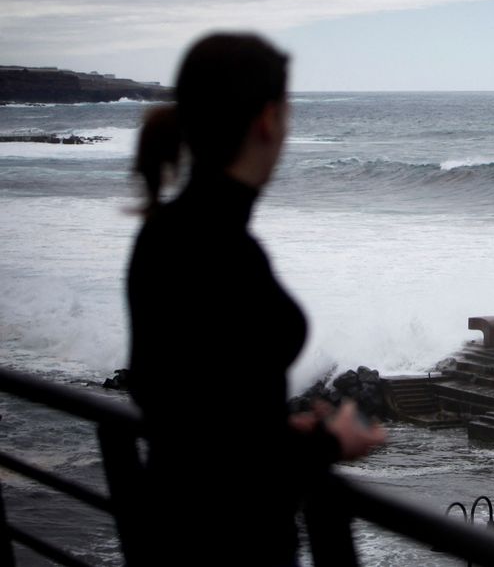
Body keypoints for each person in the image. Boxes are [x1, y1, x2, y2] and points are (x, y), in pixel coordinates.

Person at [126, 32, 385, 566]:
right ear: (268, 120)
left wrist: (269, 424)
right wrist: (329, 444)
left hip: (169, 528)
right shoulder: (224, 251)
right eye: (288, 113)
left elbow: (184, 404)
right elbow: (227, 456)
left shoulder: (163, 233)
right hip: (232, 542)